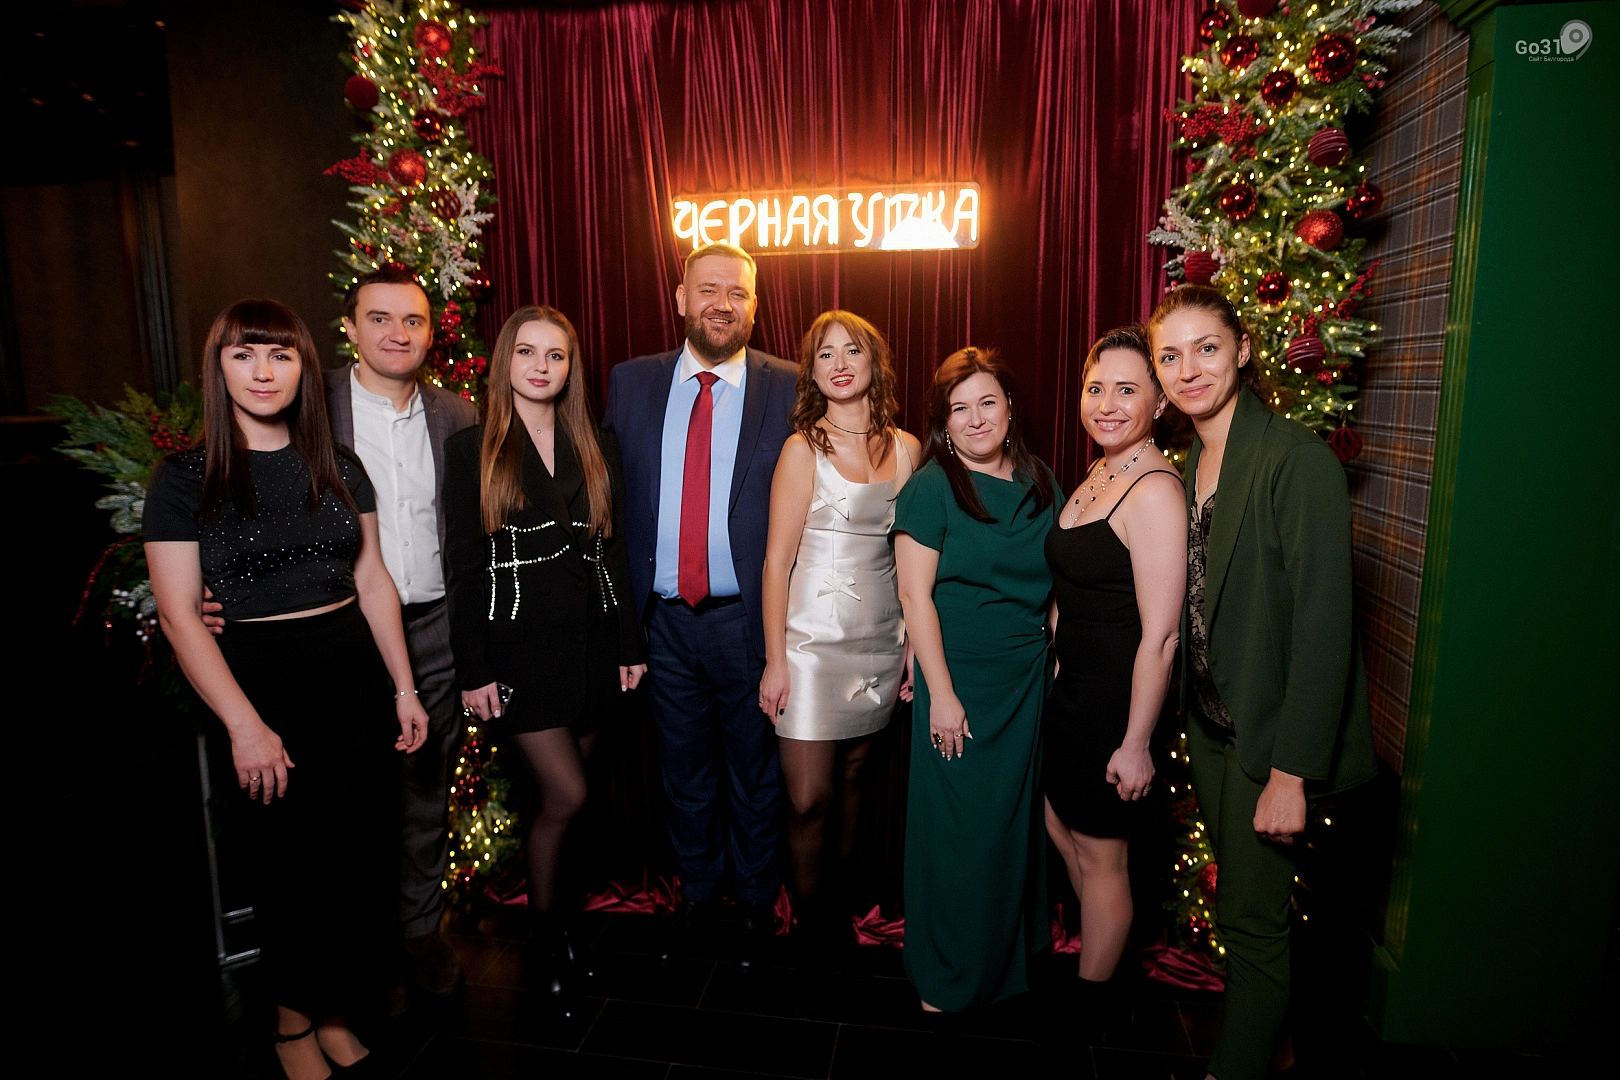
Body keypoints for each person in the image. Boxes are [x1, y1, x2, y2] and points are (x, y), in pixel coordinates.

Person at [145, 300, 429, 1080]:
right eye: (244, 355)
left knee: (355, 863)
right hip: (259, 684)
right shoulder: (185, 478)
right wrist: (245, 726)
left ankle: (333, 1012)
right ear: (220, 368)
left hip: (352, 676)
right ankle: (290, 1023)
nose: (263, 372)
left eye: (280, 355)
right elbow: (178, 614)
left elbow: (373, 580)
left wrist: (404, 688)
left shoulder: (339, 463)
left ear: (305, 366)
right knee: (286, 868)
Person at [202, 268, 478, 1010]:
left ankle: (419, 932)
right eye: (379, 318)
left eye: (413, 320)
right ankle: (361, 948)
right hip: (338, 631)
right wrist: (207, 584)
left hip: (434, 625)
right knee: (344, 800)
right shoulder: (302, 395)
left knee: (423, 791)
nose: (397, 333)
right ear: (349, 329)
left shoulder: (457, 415)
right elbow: (228, 489)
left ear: (432, 332)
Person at [1149, 285, 1375, 1080]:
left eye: (1207, 348)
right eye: (1170, 356)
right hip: (1213, 730)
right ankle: (1272, 1047)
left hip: (1270, 740)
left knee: (1252, 920)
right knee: (1241, 911)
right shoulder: (1189, 461)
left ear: (1243, 349)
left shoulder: (1296, 460)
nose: (1189, 369)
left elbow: (1324, 628)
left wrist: (1291, 773)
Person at [602, 242, 797, 965]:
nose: (723, 303)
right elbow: (609, 505)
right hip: (663, 623)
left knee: (756, 772)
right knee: (683, 771)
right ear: (681, 299)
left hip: (748, 619)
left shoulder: (789, 386)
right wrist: (622, 628)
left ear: (755, 307)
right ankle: (698, 895)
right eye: (708, 289)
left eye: (738, 293)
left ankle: (754, 903)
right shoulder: (630, 382)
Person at [442, 305, 645, 995]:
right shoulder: (472, 449)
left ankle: (561, 924)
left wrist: (629, 643)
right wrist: (473, 668)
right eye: (527, 352)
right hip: (519, 654)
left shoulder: (596, 443)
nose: (540, 366)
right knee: (568, 792)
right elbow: (465, 567)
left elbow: (613, 551)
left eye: (555, 355)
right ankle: (548, 939)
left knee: (560, 804)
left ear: (570, 368)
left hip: (593, 648)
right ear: (506, 361)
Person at [892, 347, 1061, 1013]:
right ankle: (947, 975)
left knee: (1011, 830)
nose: (975, 418)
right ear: (943, 422)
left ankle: (1002, 968)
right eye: (958, 409)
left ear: (1010, 407)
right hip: (957, 680)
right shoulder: (932, 487)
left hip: (1025, 682)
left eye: (987, 402)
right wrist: (941, 695)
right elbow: (914, 597)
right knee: (959, 835)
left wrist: (1055, 651)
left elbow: (1061, 575)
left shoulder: (1041, 480)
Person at [758, 310, 920, 963]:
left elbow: (913, 556)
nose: (840, 364)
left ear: (874, 361)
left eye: (852, 350)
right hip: (810, 646)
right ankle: (807, 931)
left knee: (855, 787)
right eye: (825, 354)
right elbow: (776, 563)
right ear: (813, 372)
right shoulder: (803, 449)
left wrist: (911, 644)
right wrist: (775, 661)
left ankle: (837, 918)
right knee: (807, 799)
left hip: (880, 639)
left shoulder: (908, 448)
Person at [1042, 327, 1185, 1026]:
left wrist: (1135, 742)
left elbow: (1161, 636)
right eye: (1096, 388)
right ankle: (1103, 955)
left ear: (1159, 402)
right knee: (1059, 825)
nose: (1107, 404)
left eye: (1127, 390)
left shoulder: (1154, 490)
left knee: (1103, 859)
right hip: (1072, 694)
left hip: (1114, 705)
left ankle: (1091, 1009)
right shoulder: (1101, 472)